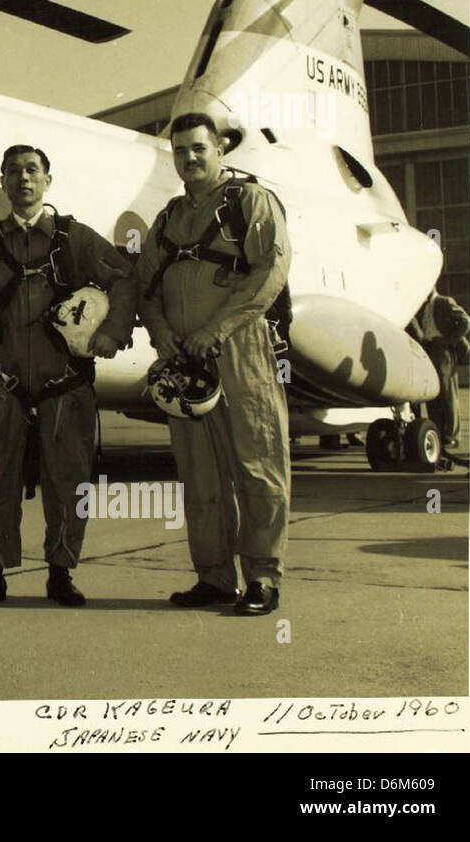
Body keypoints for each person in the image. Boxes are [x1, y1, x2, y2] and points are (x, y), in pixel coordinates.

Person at [0, 145, 138, 608]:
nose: (23, 178)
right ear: (2, 182)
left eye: (32, 171)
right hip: (4, 386)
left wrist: (113, 333)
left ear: (47, 181)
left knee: (69, 482)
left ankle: (61, 573)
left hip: (65, 385)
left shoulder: (74, 239)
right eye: (14, 172)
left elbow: (124, 278)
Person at [136, 112, 291, 616]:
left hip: (240, 356)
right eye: (180, 152)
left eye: (198, 149)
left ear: (220, 149)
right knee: (200, 478)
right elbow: (146, 286)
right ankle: (214, 578)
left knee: (257, 469)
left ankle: (263, 579)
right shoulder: (168, 219)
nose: (189, 159)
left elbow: (271, 271)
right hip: (184, 362)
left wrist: (216, 330)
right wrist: (161, 333)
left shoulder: (249, 203)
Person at [409, 288, 470, 448]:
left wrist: (449, 340)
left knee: (447, 392)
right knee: (433, 393)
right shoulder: (423, 307)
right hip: (429, 348)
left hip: (442, 350)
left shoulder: (444, 302)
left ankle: (451, 435)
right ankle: (438, 431)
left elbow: (465, 322)